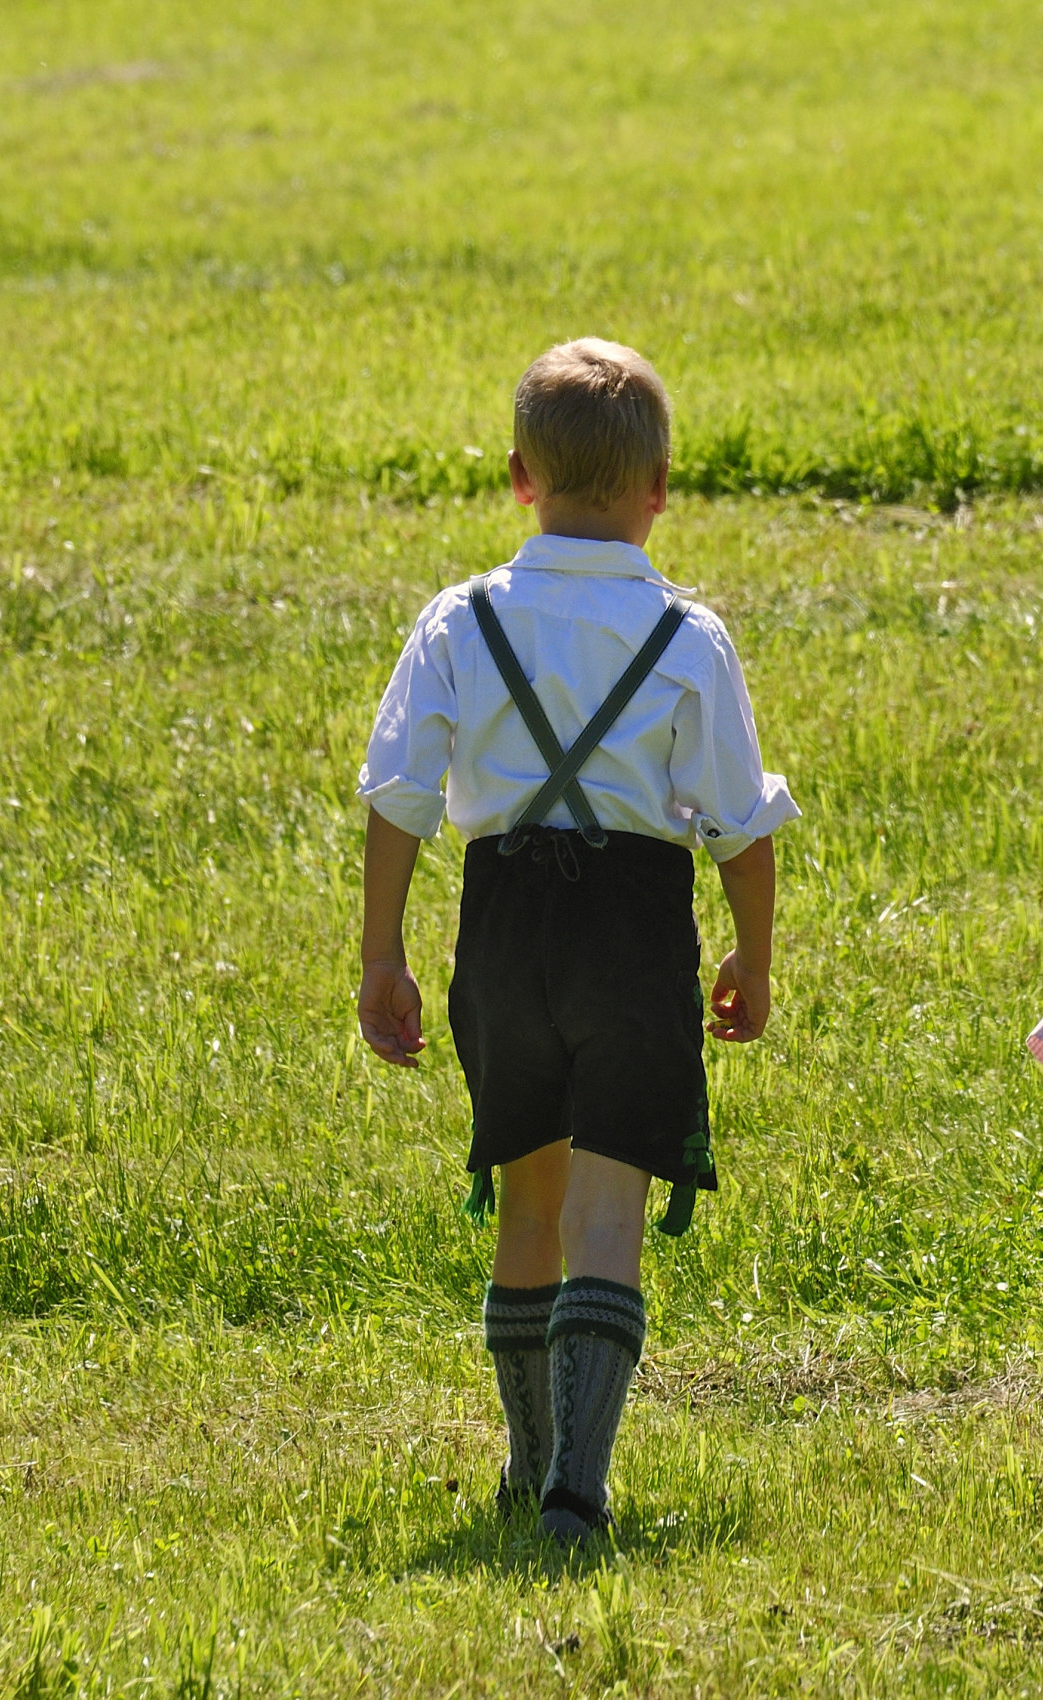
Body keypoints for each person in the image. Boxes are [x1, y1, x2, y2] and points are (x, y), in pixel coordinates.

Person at [352, 338, 797, 1544]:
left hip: (501, 926)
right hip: (632, 931)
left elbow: (397, 797)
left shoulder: (459, 618)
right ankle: (577, 1490)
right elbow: (742, 829)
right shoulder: (688, 635)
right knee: (609, 1213)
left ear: (517, 477)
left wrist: (378, 952)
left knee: (525, 1208)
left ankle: (524, 1460)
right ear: (661, 486)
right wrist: (755, 957)